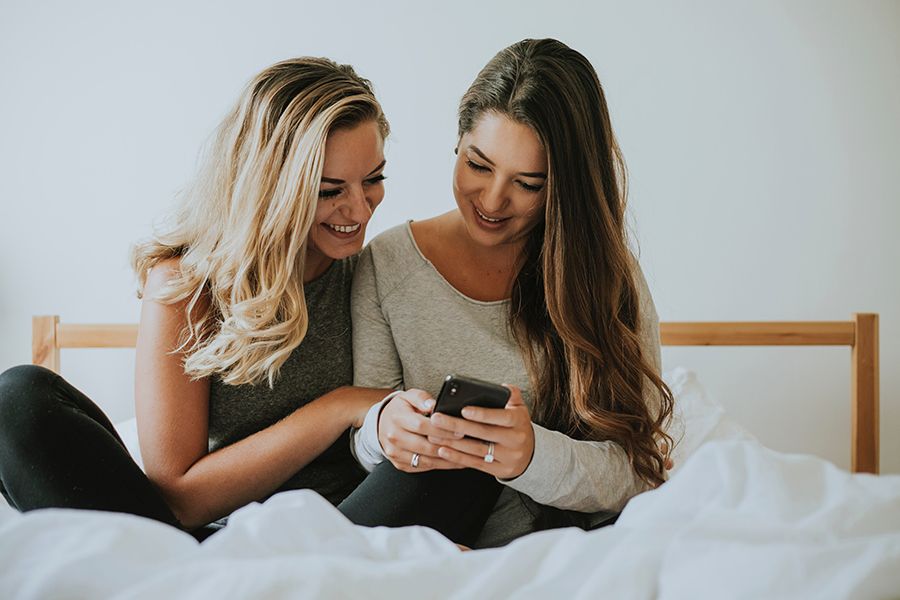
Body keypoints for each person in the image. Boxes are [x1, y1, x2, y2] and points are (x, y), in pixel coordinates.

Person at [0, 57, 498, 546]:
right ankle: (222, 575)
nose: (359, 209)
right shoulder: (185, 287)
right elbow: (180, 498)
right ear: (271, 187)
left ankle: (260, 576)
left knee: (468, 444)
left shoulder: (376, 273)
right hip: (211, 537)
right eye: (329, 190)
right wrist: (339, 406)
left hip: (345, 529)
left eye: (373, 179)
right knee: (15, 400)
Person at [350, 38, 675, 548]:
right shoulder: (387, 264)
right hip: (424, 535)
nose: (493, 200)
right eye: (478, 165)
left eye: (528, 183)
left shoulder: (607, 279)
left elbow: (640, 470)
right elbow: (362, 450)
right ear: (457, 142)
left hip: (556, 548)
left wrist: (529, 456)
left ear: (564, 187)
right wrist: (381, 428)